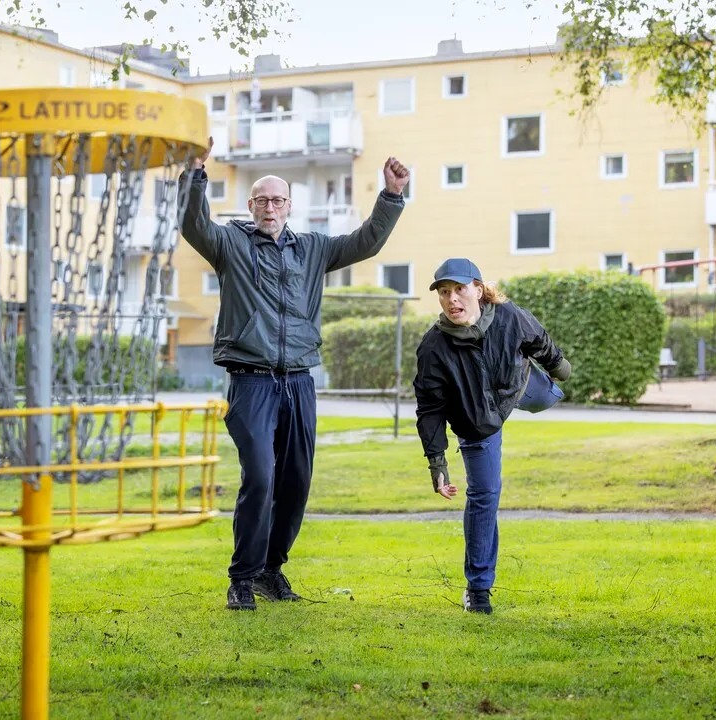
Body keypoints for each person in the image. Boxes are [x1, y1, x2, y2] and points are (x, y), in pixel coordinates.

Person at [179, 137, 410, 610]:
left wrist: (391, 197)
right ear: (250, 205)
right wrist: (195, 173)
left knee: (296, 481)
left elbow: (365, 242)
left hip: (300, 380)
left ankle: (270, 570)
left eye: (278, 200)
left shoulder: (313, 249)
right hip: (251, 379)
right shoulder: (229, 244)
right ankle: (241, 578)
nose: (269, 207)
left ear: (289, 205)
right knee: (261, 476)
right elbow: (193, 224)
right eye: (261, 199)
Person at [413, 258, 571, 614]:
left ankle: (540, 385)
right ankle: (479, 590)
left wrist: (559, 365)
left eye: (459, 289)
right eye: (444, 292)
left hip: (518, 386)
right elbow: (431, 410)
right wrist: (437, 464)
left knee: (548, 397)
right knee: (485, 494)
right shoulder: (434, 348)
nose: (452, 298)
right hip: (477, 420)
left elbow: (537, 338)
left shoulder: (508, 316)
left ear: (479, 291)